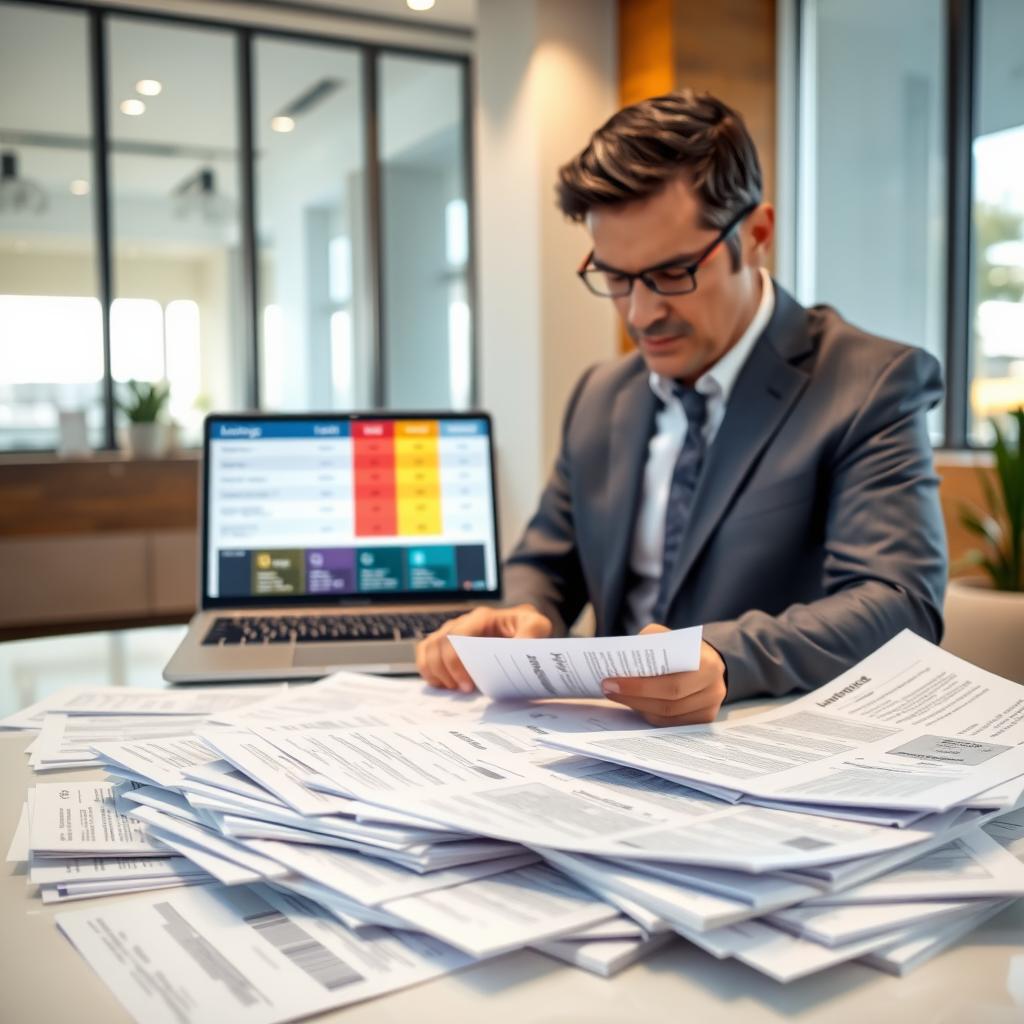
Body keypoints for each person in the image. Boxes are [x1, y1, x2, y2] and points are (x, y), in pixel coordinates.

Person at [416, 90, 947, 725]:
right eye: (614, 277)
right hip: (602, 746)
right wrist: (525, 613)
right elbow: (545, 563)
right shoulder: (601, 395)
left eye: (672, 273)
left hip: (769, 749)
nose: (641, 316)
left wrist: (722, 657)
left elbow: (899, 602)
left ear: (756, 234)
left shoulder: (869, 384)